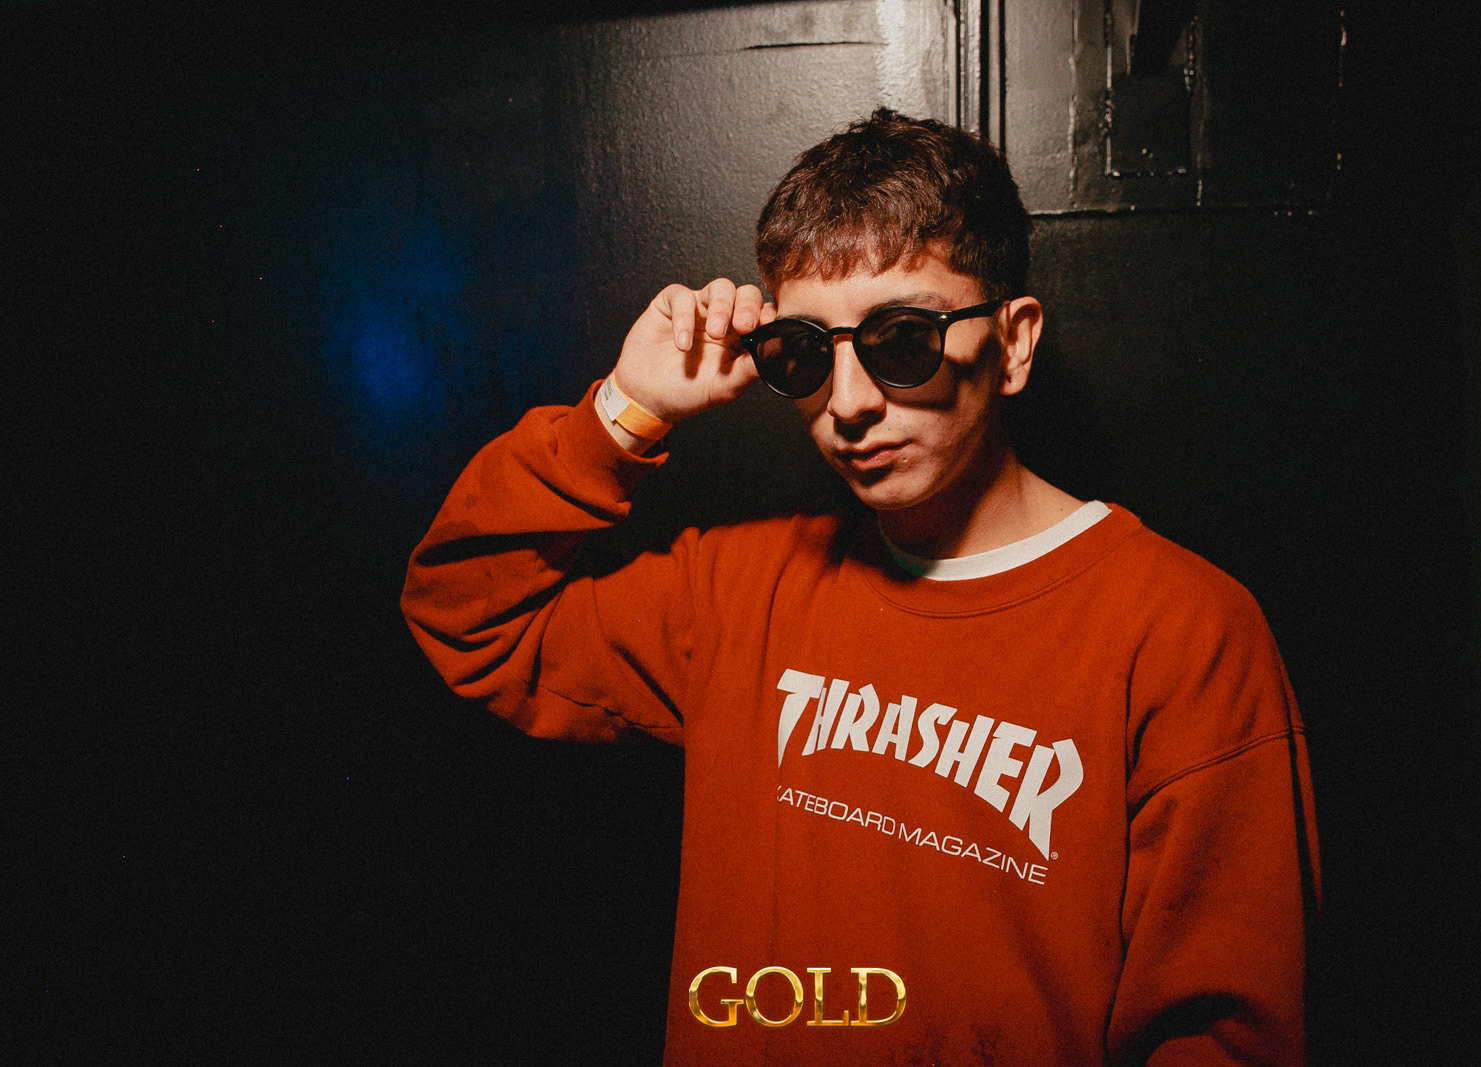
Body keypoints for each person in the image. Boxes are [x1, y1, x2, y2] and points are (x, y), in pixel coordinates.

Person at [401, 108, 1319, 1066]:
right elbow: (467, 617)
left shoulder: (1184, 629)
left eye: (903, 338)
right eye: (804, 352)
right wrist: (623, 414)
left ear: (1013, 343)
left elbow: (1224, 1035)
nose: (846, 403)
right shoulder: (736, 590)